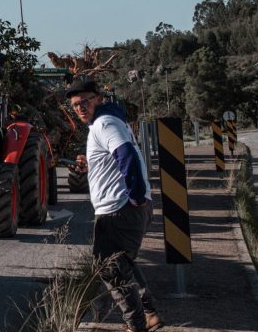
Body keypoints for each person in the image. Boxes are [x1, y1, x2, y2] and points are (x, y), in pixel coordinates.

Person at [67, 79, 163, 332]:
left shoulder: (105, 123)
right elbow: (114, 158)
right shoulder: (106, 123)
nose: (80, 108)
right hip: (122, 206)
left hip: (119, 208)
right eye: (75, 105)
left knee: (110, 268)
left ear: (98, 98)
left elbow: (126, 156)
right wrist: (90, 165)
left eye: (85, 101)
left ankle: (136, 324)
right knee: (123, 263)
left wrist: (135, 197)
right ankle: (149, 313)